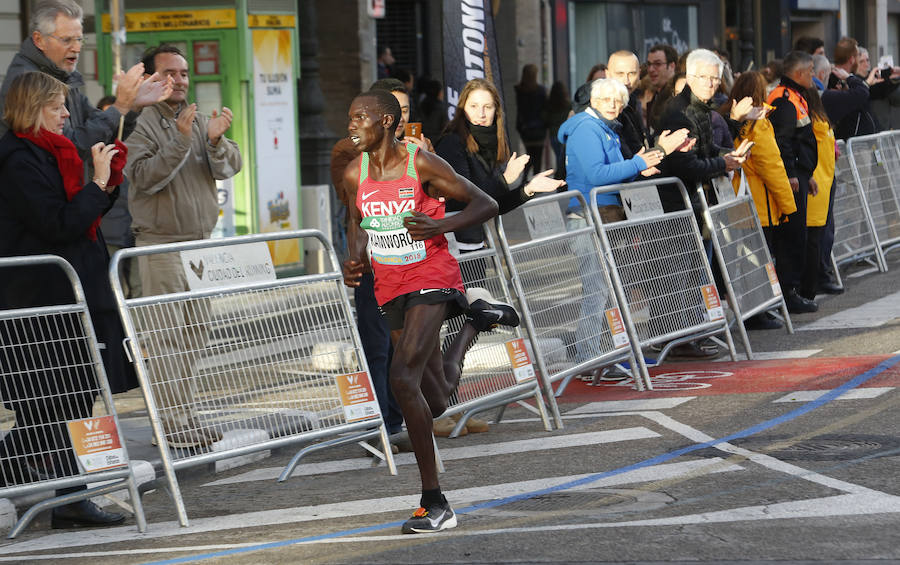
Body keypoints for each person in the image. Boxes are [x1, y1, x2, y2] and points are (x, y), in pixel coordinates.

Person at [341, 89, 517, 533]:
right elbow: (357, 220)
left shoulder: (420, 163)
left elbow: (486, 203)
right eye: (349, 118)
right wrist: (354, 255)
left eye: (359, 117)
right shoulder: (351, 172)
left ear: (385, 121)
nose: (351, 125)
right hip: (389, 282)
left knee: (401, 378)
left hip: (431, 272)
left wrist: (440, 224)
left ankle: (434, 502)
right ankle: (474, 322)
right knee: (436, 397)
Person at [0, 71, 132, 527]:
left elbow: (83, 212)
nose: (64, 115)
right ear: (33, 108)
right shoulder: (18, 160)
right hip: (39, 298)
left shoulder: (54, 153)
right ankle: (55, 489)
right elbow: (57, 223)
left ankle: (72, 499)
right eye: (57, 107)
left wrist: (105, 184)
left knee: (76, 398)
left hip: (75, 289)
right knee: (48, 406)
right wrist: (96, 185)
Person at [125, 44, 242, 448]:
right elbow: (141, 178)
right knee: (166, 336)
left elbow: (231, 166)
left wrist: (214, 142)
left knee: (195, 332)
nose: (178, 81)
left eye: (184, 73)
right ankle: (169, 424)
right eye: (168, 74)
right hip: (160, 244)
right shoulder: (140, 124)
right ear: (150, 80)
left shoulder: (193, 118)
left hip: (199, 245)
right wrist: (178, 140)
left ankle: (185, 415)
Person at [435, 77, 565, 418]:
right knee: (455, 320)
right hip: (453, 247)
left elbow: (491, 204)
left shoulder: (491, 144)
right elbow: (469, 195)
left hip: (476, 247)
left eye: (487, 107)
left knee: (464, 322)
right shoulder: (451, 144)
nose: (480, 113)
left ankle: (448, 401)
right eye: (474, 106)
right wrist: (505, 180)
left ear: (497, 113)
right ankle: (440, 402)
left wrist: (527, 190)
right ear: (462, 108)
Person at [557, 78, 674, 380]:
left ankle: (605, 355)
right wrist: (635, 164)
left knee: (606, 291)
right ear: (593, 101)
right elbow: (597, 174)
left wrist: (638, 168)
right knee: (596, 291)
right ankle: (589, 360)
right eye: (605, 98)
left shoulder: (606, 129)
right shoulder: (586, 128)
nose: (611, 104)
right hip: (587, 218)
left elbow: (616, 174)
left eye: (617, 100)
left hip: (605, 216)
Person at [330, 78, 420, 451]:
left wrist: (418, 158)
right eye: (390, 112)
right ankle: (380, 425)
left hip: (411, 260)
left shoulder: (415, 151)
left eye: (404, 112)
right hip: (373, 260)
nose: (397, 120)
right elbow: (354, 205)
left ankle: (404, 419)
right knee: (378, 342)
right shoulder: (347, 152)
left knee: (409, 344)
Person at [656, 48, 752, 358]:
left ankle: (689, 334)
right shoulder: (679, 112)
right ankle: (677, 339)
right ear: (689, 77)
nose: (712, 84)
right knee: (679, 274)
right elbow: (687, 165)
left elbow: (707, 151)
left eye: (716, 78)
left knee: (693, 271)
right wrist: (725, 163)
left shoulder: (701, 107)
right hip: (678, 205)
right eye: (705, 78)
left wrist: (729, 155)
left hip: (696, 204)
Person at [0, 0, 171, 161]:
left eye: (79, 39)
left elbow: (102, 137)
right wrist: (120, 107)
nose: (76, 48)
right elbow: (72, 147)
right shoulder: (26, 80)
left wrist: (132, 106)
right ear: (39, 40)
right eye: (66, 40)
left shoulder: (62, 73)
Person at [723, 71, 796, 330]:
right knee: (759, 258)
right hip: (759, 203)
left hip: (735, 198)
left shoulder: (730, 118)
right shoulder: (760, 122)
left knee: (742, 258)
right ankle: (757, 311)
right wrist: (788, 205)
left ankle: (751, 310)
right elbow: (772, 167)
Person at [767, 50, 818, 313]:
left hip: (799, 175)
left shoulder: (795, 96)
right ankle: (789, 292)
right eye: (810, 71)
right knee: (792, 236)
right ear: (798, 73)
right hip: (792, 177)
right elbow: (783, 141)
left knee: (797, 235)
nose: (813, 75)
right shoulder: (785, 100)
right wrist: (791, 174)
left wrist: (806, 175)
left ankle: (792, 290)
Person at [96, 95, 140, 299]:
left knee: (138, 289)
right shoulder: (95, 152)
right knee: (116, 289)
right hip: (109, 232)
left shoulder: (134, 145)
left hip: (135, 229)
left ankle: (139, 330)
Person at [803, 84, 838, 302]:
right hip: (823, 182)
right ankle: (815, 282)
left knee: (811, 240)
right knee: (818, 237)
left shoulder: (812, 123)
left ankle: (810, 285)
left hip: (814, 184)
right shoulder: (822, 122)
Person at [514, 64, 547, 177]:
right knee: (537, 155)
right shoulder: (541, 90)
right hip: (539, 127)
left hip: (525, 128)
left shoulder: (519, 90)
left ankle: (525, 177)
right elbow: (544, 109)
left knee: (530, 154)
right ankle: (535, 178)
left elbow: (520, 109)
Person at [643, 44, 679, 135]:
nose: (651, 69)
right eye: (649, 64)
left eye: (657, 64)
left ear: (672, 66)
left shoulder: (677, 96)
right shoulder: (655, 95)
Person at [543, 80, 572, 173]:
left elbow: (546, 119)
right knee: (564, 157)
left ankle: (560, 174)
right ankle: (562, 174)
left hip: (553, 135)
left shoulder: (549, 105)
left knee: (558, 157)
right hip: (565, 134)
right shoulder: (568, 105)